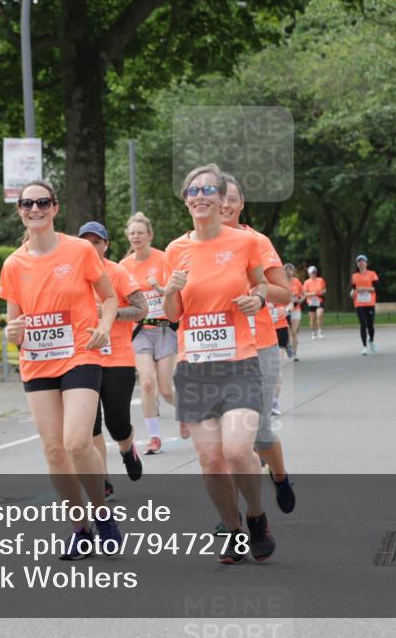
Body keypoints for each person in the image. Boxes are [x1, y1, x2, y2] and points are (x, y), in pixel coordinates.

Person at [0, 181, 121, 559]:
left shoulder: (80, 250)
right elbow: (13, 327)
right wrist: (12, 331)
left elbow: (110, 297)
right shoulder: (13, 264)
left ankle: (102, 514)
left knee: (77, 442)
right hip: (38, 360)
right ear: (20, 210)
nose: (34, 208)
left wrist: (103, 326)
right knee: (53, 451)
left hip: (80, 354)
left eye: (42, 202)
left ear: (54, 208)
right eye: (27, 203)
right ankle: (80, 528)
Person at [163, 163, 276, 564]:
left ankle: (258, 516)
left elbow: (263, 284)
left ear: (220, 197)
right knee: (211, 461)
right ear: (185, 199)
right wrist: (170, 291)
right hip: (194, 369)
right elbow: (173, 315)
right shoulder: (175, 250)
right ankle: (233, 529)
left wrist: (258, 299)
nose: (200, 197)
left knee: (237, 451)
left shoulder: (243, 243)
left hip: (239, 363)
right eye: (193, 191)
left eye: (208, 190)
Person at [220, 174, 296, 514]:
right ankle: (235, 517)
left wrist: (261, 294)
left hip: (258, 347)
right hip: (216, 352)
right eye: (217, 196)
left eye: (231, 198)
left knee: (260, 435)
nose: (224, 204)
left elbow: (285, 291)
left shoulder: (257, 241)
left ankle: (280, 477)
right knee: (228, 443)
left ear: (241, 203)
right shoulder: (190, 247)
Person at [77, 221, 146, 500]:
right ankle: (103, 482)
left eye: (97, 241)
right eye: (86, 241)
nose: (91, 247)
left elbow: (142, 309)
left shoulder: (118, 272)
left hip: (117, 358)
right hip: (82, 359)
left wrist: (109, 312)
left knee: (117, 423)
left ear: (105, 245)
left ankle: (127, 448)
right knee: (91, 426)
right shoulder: (71, 274)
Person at [120, 211, 180, 452]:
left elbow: (177, 292)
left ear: (150, 236)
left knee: (165, 390)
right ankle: (154, 438)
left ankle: (186, 414)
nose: (136, 237)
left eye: (140, 233)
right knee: (146, 383)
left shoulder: (164, 259)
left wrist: (159, 288)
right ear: (128, 236)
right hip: (140, 332)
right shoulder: (123, 266)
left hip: (165, 329)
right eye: (132, 233)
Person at [350, 254, 380, 355]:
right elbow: (353, 289)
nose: (361, 263)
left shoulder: (372, 274)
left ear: (366, 263)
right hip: (359, 303)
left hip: (370, 302)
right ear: (357, 264)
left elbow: (375, 288)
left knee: (370, 324)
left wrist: (363, 289)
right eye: (359, 261)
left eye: (363, 261)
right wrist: (352, 293)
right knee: (363, 324)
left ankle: (371, 341)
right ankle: (364, 347)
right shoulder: (354, 276)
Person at [284, 263, 304, 361]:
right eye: (286, 270)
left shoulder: (297, 282)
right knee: (287, 332)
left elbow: (303, 294)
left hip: (296, 309)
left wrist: (300, 300)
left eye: (290, 270)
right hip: (285, 310)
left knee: (294, 332)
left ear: (293, 271)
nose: (288, 272)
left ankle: (295, 353)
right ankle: (288, 347)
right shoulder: (281, 282)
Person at [304, 266, 327, 340]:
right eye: (311, 273)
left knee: (319, 315)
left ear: (316, 273)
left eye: (314, 272)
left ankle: (320, 332)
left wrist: (321, 292)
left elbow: (324, 290)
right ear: (309, 274)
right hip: (311, 301)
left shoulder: (320, 280)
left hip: (319, 300)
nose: (313, 274)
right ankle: (313, 332)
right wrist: (313, 293)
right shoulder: (306, 282)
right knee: (312, 318)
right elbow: (304, 293)